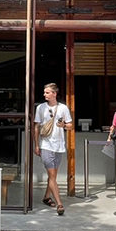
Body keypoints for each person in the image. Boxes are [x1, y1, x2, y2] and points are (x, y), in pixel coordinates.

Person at [33, 83, 73, 216]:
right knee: (52, 176)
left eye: (47, 92)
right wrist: (37, 145)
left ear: (54, 94)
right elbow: (36, 127)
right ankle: (60, 204)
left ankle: (46, 197)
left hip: (59, 146)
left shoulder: (63, 108)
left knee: (53, 176)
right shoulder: (40, 108)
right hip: (46, 146)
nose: (45, 94)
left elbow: (70, 126)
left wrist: (64, 125)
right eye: (44, 92)